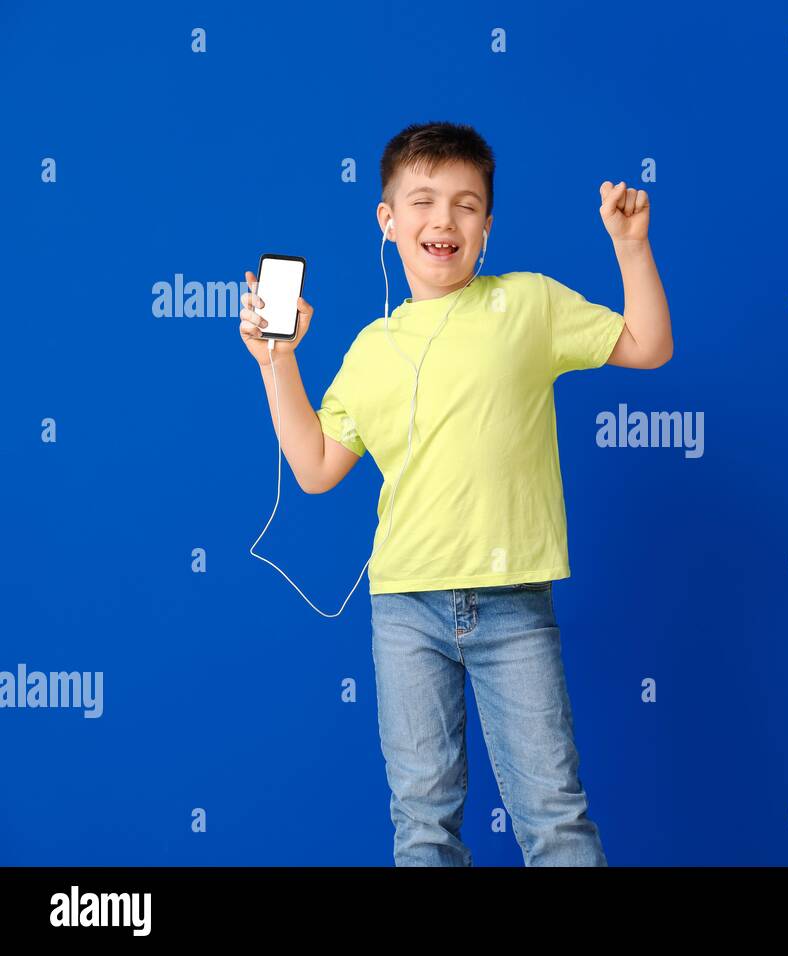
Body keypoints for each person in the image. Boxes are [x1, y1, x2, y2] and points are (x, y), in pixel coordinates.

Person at [235, 121, 672, 865]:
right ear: (389, 221)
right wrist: (278, 364)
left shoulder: (528, 305)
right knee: (423, 823)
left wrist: (630, 247)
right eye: (424, 201)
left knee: (555, 816)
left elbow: (647, 345)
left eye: (466, 205)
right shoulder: (371, 350)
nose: (444, 219)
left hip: (514, 603)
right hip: (405, 609)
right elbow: (313, 468)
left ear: (487, 228)